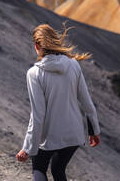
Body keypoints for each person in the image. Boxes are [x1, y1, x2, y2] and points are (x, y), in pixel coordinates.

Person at [16, 21, 101, 181]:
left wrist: (27, 148)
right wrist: (94, 131)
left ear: (36, 46)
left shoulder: (34, 73)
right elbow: (87, 101)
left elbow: (38, 115)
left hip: (50, 137)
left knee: (39, 168)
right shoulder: (73, 65)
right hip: (73, 135)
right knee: (58, 169)